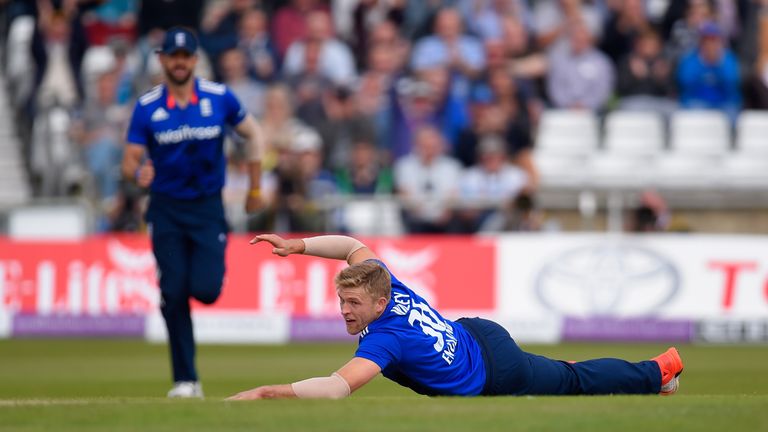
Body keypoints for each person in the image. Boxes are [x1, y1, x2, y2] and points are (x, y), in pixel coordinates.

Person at [228, 233, 685, 400]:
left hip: (494, 371)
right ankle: (648, 376)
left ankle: (658, 372)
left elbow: (336, 388)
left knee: (571, 381)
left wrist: (270, 392)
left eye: (353, 304)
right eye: (342, 302)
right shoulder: (384, 281)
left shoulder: (384, 339)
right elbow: (350, 246)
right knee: (563, 374)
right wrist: (299, 246)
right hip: (476, 334)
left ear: (378, 303)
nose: (345, 311)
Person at [121, 27, 264, 398]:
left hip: (206, 208)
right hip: (166, 210)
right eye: (173, 56)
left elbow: (254, 134)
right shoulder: (148, 106)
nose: (180, 62)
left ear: (195, 59)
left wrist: (254, 187)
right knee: (173, 292)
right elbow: (130, 160)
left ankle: (188, 375)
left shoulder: (218, 97)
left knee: (205, 289)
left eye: (186, 56)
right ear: (163, 59)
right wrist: (140, 173)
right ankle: (186, 380)